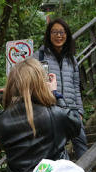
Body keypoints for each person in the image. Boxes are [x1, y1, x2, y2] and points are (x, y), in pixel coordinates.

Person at [38, 17, 88, 159]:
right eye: (55, 32)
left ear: (67, 34)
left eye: (62, 32)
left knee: (81, 140)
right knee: (57, 145)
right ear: (49, 35)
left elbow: (75, 86)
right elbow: (30, 79)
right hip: (51, 107)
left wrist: (80, 110)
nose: (59, 36)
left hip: (71, 108)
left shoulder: (71, 59)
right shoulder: (40, 57)